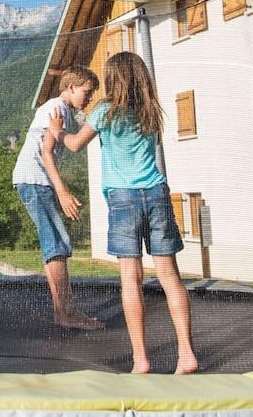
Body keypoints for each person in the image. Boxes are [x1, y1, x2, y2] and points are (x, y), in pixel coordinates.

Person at [49, 51, 198, 374]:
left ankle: (141, 359)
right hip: (157, 193)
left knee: (131, 279)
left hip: (123, 199)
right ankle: (186, 354)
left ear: (113, 79)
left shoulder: (104, 110)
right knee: (170, 277)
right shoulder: (150, 110)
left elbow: (74, 144)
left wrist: (57, 130)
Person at [12, 64, 103, 330]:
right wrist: (62, 192)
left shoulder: (63, 111)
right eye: (87, 92)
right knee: (57, 244)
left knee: (54, 245)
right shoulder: (56, 108)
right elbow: (47, 152)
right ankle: (68, 313)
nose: (90, 97)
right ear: (71, 87)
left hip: (35, 181)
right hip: (36, 180)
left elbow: (67, 143)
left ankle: (62, 313)